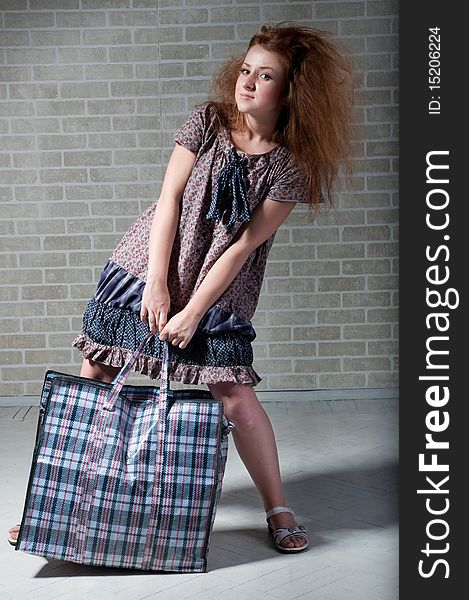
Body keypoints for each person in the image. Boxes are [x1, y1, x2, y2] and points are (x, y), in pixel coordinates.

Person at [9, 23, 354, 553]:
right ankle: (60, 506)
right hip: (147, 264)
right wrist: (154, 283)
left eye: (265, 76)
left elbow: (241, 247)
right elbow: (168, 199)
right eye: (246, 70)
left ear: (289, 92)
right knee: (97, 374)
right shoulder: (208, 121)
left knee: (235, 398)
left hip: (216, 288)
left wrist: (192, 310)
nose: (248, 83)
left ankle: (277, 507)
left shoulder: (290, 166)